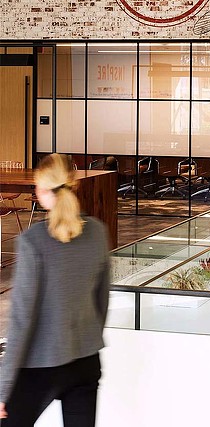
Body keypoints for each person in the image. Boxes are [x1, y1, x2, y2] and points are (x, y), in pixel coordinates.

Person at [0, 154, 111, 427]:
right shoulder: (97, 232)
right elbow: (102, 302)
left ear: (42, 190)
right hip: (86, 361)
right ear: (73, 186)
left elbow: (22, 320)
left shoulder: (32, 242)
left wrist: (3, 388)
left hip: (40, 365)